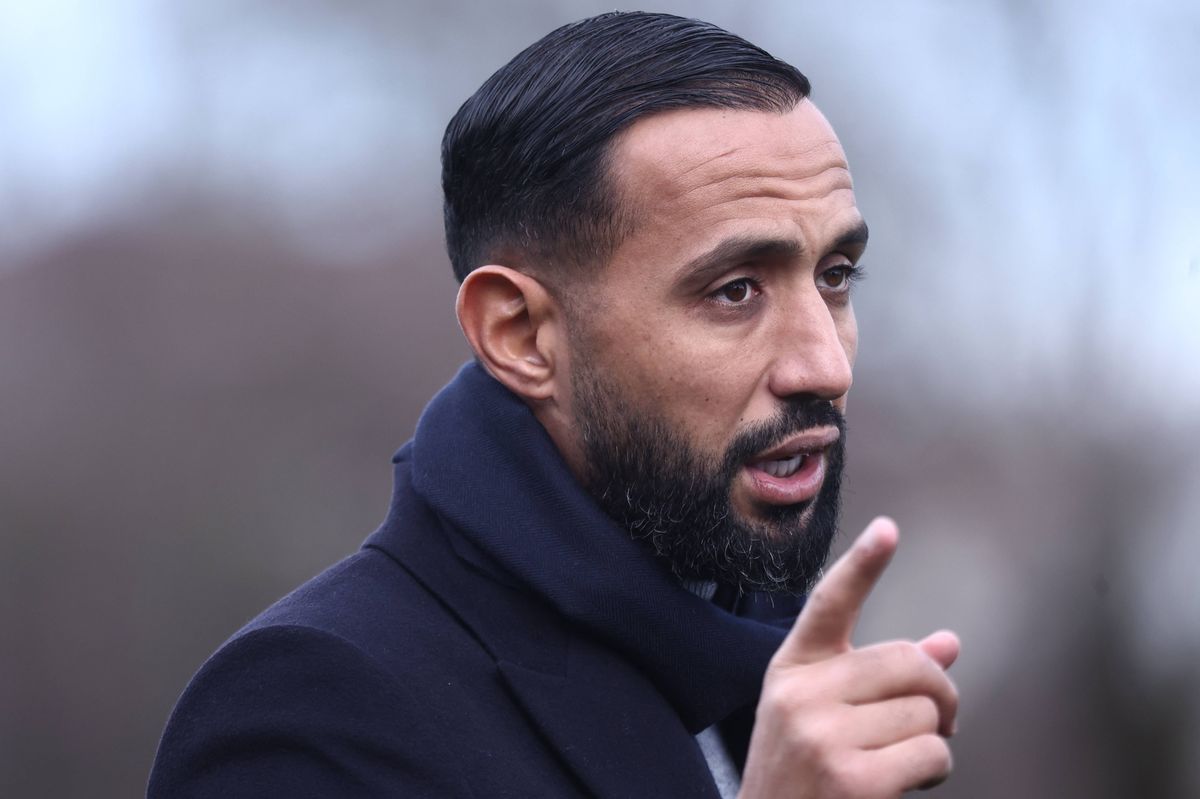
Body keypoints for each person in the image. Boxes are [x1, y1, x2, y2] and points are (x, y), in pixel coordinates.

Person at [149, 11, 959, 798]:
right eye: (735, 290)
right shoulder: (309, 709)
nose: (825, 365)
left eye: (835, 277)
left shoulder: (773, 659)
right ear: (522, 334)